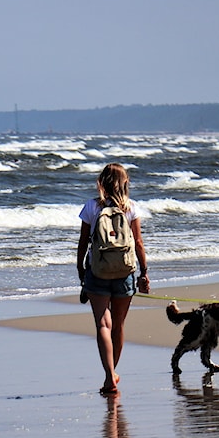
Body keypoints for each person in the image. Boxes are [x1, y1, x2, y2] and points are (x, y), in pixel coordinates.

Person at [76, 163, 149, 395]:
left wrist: (80, 269)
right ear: (125, 182)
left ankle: (109, 375)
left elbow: (83, 241)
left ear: (102, 182)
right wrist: (144, 273)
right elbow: (138, 243)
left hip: (97, 271)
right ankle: (112, 374)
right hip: (125, 272)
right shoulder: (131, 208)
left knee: (102, 324)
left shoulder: (91, 207)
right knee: (118, 325)